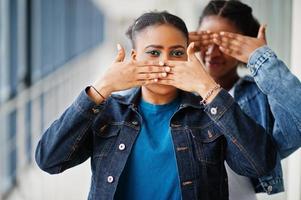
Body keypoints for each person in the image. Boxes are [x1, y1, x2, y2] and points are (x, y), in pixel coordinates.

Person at [35, 11, 276, 200]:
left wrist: (207, 87)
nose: (165, 63)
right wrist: (99, 90)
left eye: (177, 52)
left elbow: (258, 164)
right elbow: (50, 160)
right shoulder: (108, 111)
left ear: (189, 56)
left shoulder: (211, 112)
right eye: (153, 52)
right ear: (133, 58)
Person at [189, 0, 301, 199]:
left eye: (224, 43)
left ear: (242, 45)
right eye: (205, 41)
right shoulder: (177, 93)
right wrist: (174, 49)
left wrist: (261, 59)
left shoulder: (258, 95)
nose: (212, 52)